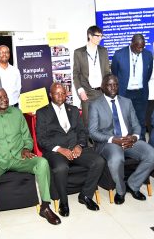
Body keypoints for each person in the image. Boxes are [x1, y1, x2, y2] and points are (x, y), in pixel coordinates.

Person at [0, 87, 61, 238]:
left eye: (6, 96)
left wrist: (27, 148)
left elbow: (27, 137)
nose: (5, 99)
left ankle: (45, 207)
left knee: (42, 163)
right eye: (0, 97)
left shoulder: (16, 113)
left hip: (19, 156)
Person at [36, 82, 106, 217]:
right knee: (61, 168)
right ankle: (64, 202)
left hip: (76, 149)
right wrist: (59, 149)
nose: (60, 96)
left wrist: (79, 145)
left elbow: (82, 131)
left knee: (99, 161)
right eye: (57, 93)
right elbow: (41, 139)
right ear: (50, 95)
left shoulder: (73, 110)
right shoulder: (42, 112)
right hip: (56, 151)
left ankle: (85, 195)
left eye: (63, 93)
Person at [88, 74, 154, 205]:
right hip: (108, 142)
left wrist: (134, 137)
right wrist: (113, 139)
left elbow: (137, 125)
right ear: (103, 87)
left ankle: (133, 184)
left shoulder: (127, 102)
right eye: (109, 85)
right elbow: (92, 132)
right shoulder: (95, 105)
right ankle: (121, 191)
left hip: (129, 140)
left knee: (152, 155)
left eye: (115, 84)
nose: (113, 87)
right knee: (116, 158)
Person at [111, 34, 154, 140]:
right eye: (138, 47)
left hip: (141, 92)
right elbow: (114, 72)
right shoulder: (119, 54)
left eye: (142, 47)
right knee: (125, 119)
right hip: (124, 92)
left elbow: (148, 74)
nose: (140, 50)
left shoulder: (148, 55)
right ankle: (126, 142)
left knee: (141, 119)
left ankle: (142, 141)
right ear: (131, 44)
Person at [73, 25, 110, 127]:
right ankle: (89, 143)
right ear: (90, 36)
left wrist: (108, 89)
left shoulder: (103, 51)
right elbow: (76, 74)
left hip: (101, 92)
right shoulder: (79, 52)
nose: (100, 38)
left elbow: (107, 72)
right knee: (88, 123)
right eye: (97, 36)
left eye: (101, 36)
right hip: (86, 93)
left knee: (103, 122)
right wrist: (80, 91)